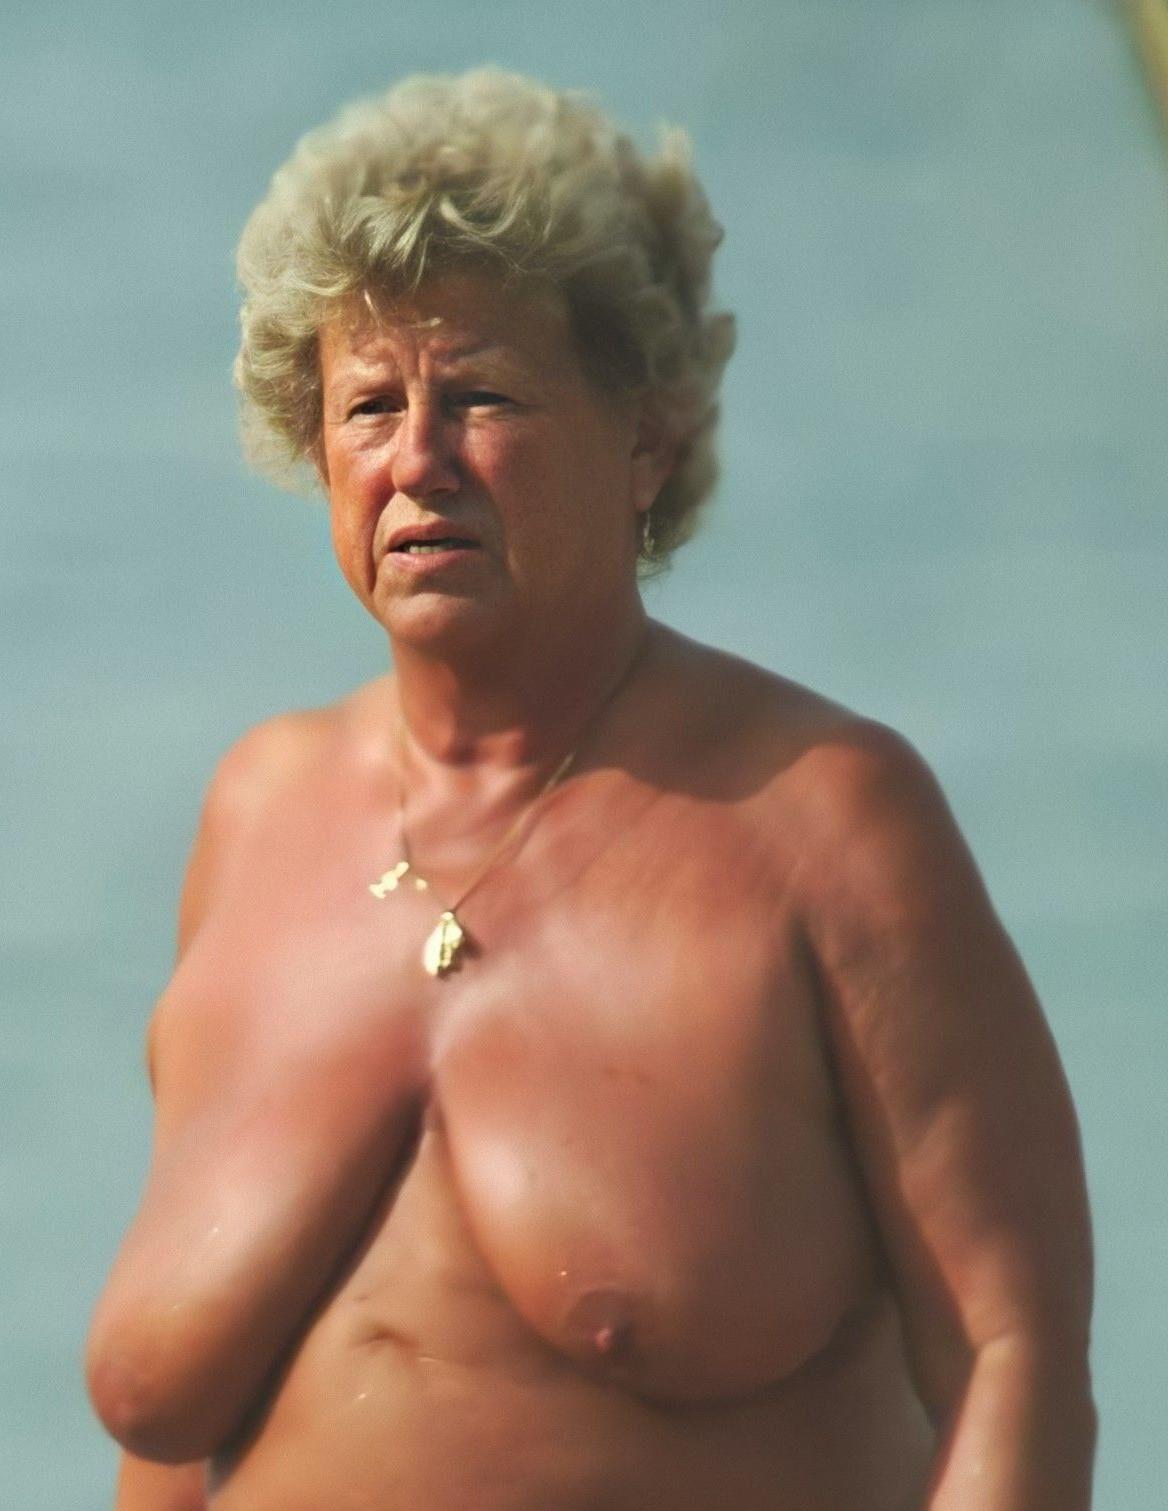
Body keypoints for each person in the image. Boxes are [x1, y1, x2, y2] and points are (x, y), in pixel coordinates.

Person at [85, 68, 1096, 1510]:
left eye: (480, 396)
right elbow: (170, 1440)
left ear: (646, 443)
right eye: (367, 406)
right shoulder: (258, 811)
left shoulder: (822, 817)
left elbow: (1012, 1355)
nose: (417, 461)